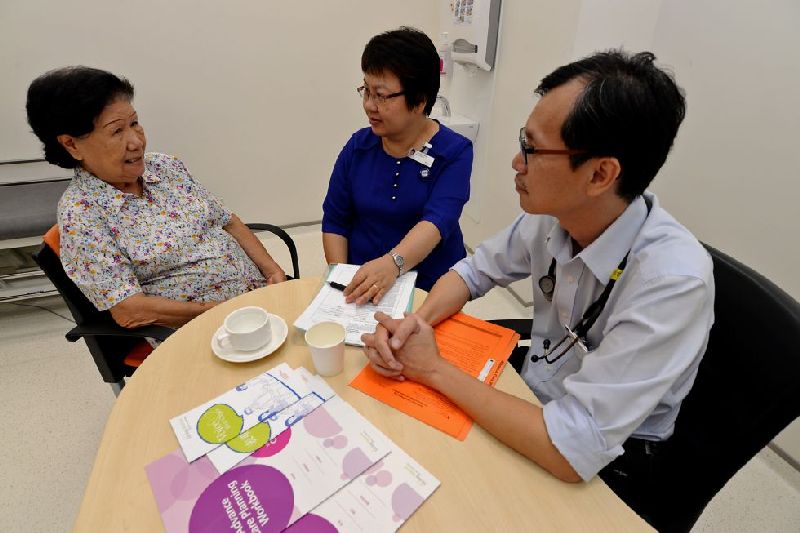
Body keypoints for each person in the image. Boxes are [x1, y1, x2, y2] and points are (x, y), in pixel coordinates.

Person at [362, 50, 715, 497]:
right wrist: (418, 322)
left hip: (614, 458)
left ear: (601, 174)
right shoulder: (556, 214)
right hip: (535, 387)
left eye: (532, 148)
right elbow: (473, 271)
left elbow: (573, 446)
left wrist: (431, 369)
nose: (515, 161)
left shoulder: (672, 282)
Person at [26, 66, 287, 329]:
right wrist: (218, 312)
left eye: (135, 123)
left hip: (257, 300)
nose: (136, 142)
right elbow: (129, 309)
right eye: (117, 131)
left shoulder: (166, 167)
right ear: (71, 145)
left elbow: (227, 221)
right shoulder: (82, 214)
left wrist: (272, 270)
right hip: (200, 328)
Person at [322, 27, 473, 303]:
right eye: (366, 91)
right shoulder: (359, 146)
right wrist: (340, 280)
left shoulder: (455, 152)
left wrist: (392, 266)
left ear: (419, 101)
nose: (369, 105)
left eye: (381, 95)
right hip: (363, 284)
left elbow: (437, 222)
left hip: (429, 287)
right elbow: (335, 221)